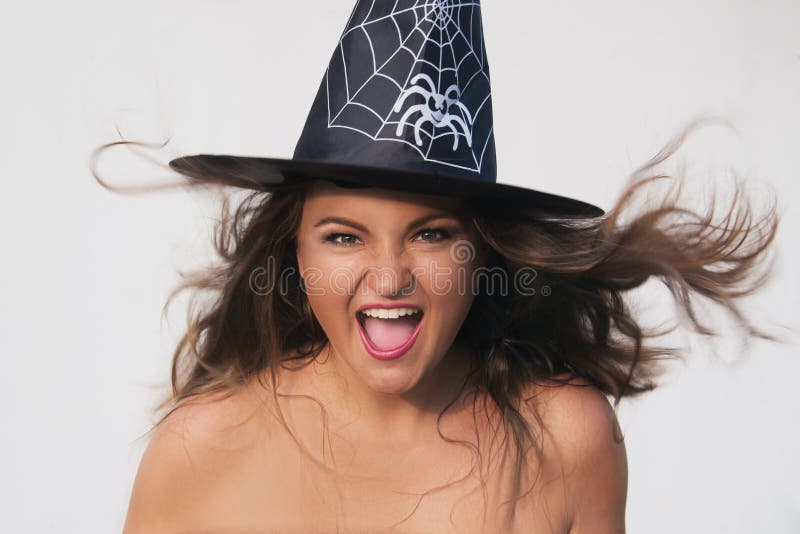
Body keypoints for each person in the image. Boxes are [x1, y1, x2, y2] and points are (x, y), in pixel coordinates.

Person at [94, 1, 782, 532]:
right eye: (343, 237)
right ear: (293, 254)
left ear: (482, 252)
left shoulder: (569, 438)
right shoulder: (199, 447)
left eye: (430, 234)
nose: (389, 277)